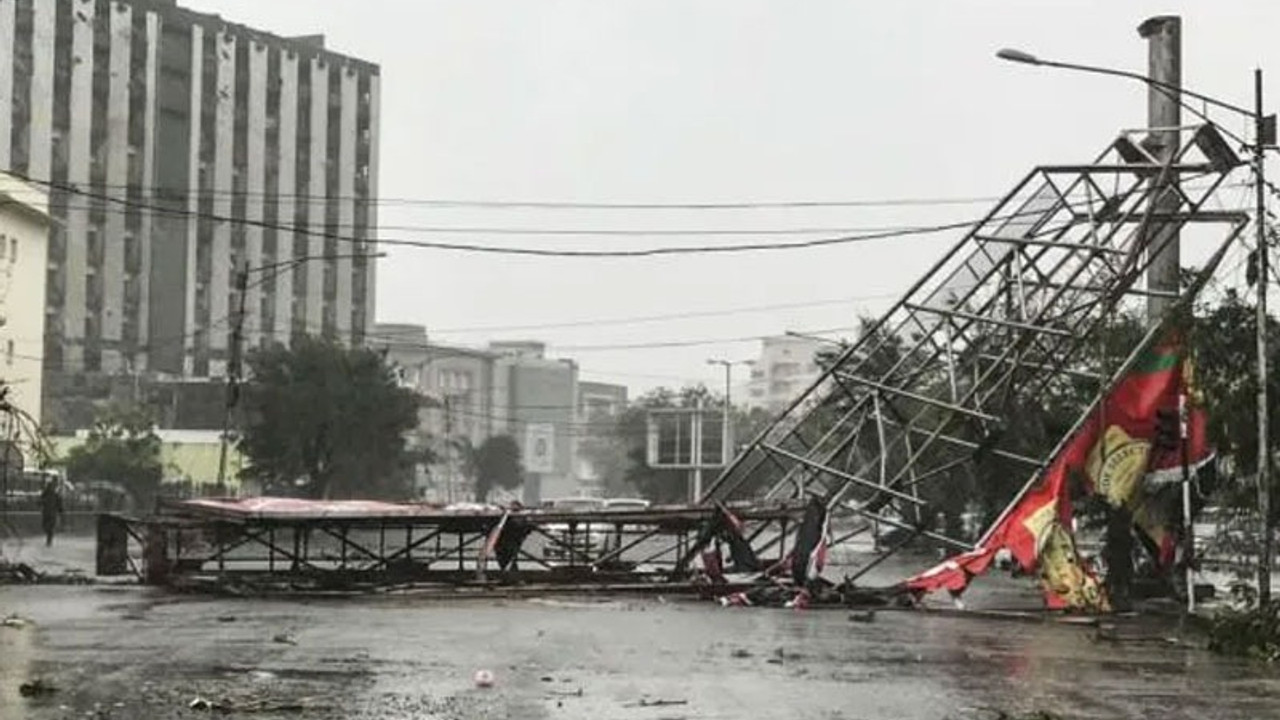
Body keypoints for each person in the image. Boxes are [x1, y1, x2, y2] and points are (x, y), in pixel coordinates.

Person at [40, 478, 63, 547]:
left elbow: (59, 503)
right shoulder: (46, 494)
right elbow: (59, 504)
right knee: (49, 527)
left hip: (49, 513)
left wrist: (60, 510)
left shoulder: (52, 494)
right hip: (49, 513)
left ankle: (49, 540)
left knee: (49, 527)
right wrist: (60, 510)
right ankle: (49, 539)